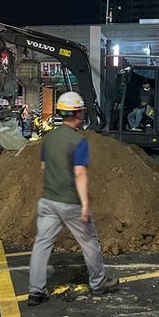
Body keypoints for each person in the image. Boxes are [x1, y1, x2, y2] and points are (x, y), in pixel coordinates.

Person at [28, 91, 118, 303]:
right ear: (77, 113)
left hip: (48, 200)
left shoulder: (48, 139)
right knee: (89, 242)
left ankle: (35, 291)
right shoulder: (79, 141)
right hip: (70, 202)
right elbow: (79, 172)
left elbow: (43, 167)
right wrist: (85, 204)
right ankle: (98, 284)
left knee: (42, 244)